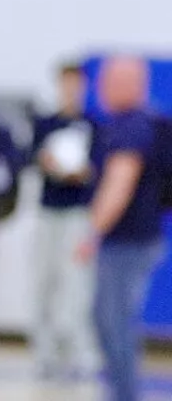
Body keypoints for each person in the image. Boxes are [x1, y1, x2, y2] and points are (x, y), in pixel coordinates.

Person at [79, 55, 164, 401]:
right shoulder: (134, 123)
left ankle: (124, 395)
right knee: (107, 320)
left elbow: (120, 183)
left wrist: (92, 232)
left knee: (114, 324)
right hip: (132, 240)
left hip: (128, 243)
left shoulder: (132, 126)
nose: (102, 87)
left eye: (110, 80)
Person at [30, 61, 99, 379]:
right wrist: (48, 163)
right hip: (49, 210)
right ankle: (43, 351)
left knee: (75, 283)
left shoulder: (93, 125)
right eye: (65, 84)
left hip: (76, 212)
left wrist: (83, 173)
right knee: (45, 279)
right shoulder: (45, 124)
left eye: (75, 85)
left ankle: (75, 350)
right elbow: (34, 158)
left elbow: (99, 168)